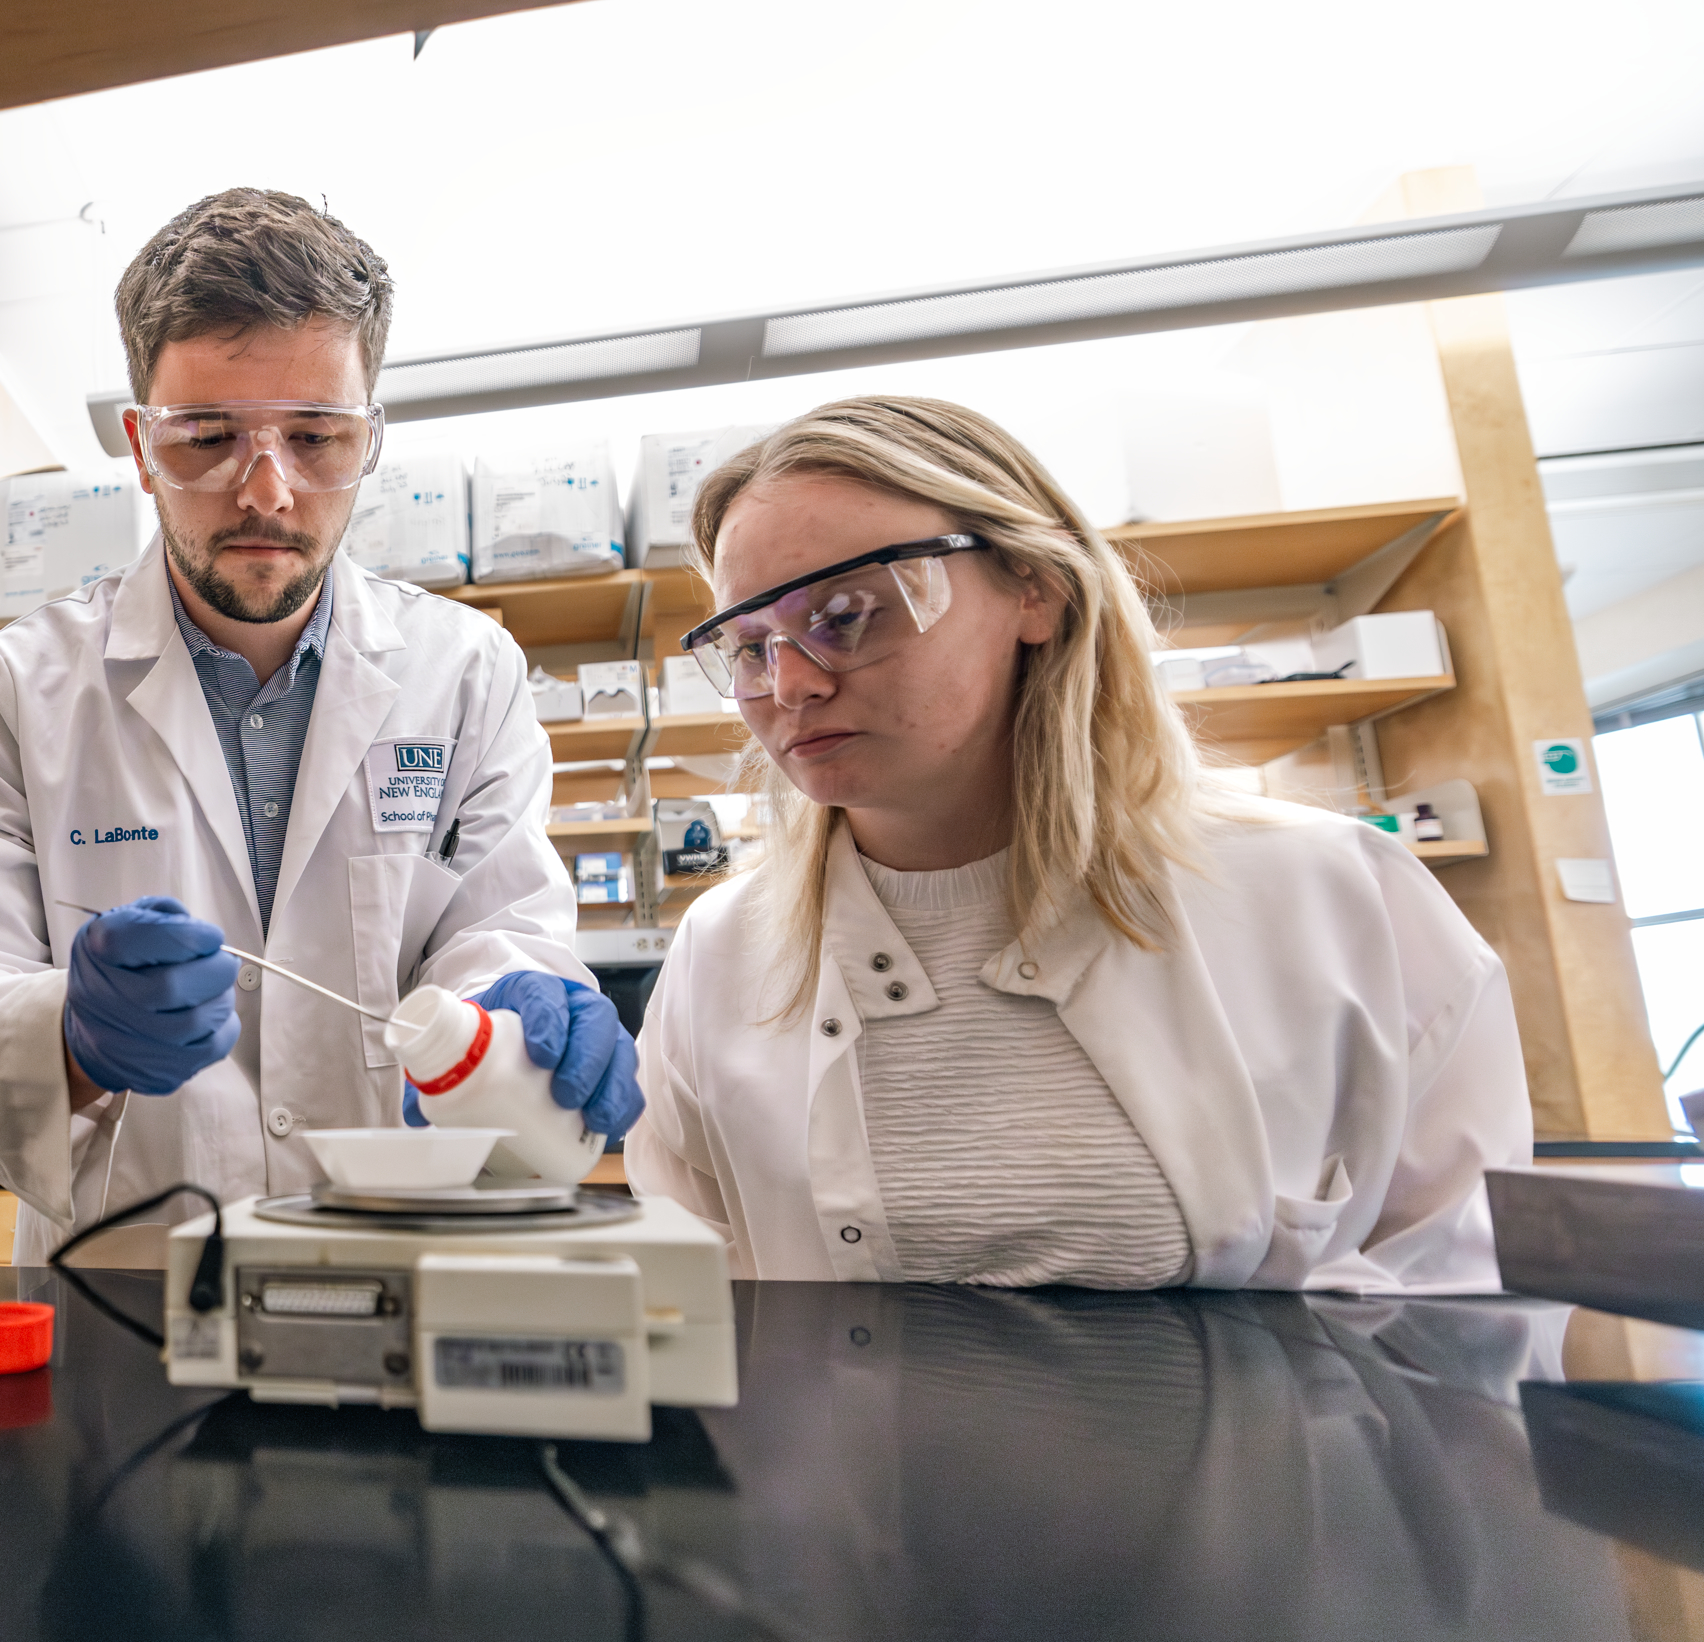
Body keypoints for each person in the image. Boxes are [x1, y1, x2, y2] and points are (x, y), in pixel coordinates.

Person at [0, 188, 642, 1264]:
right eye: (207, 438)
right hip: (131, 1294)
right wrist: (70, 1036)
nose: (267, 491)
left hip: (407, 1265)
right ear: (141, 446)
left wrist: (510, 1015)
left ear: (370, 440)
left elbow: (496, 932)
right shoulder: (14, 688)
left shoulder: (467, 673)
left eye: (317, 436)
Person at [627, 395, 1525, 1292]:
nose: (789, 684)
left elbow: (1466, 1309)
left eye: (849, 612)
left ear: (1036, 588)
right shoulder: (721, 952)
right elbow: (693, 1306)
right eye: (750, 645)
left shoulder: (1336, 896)